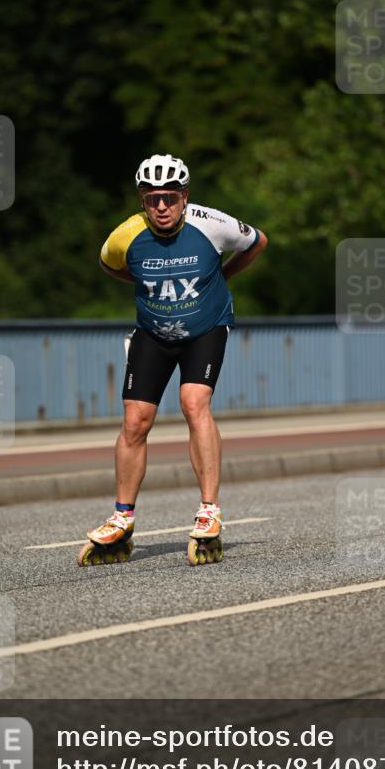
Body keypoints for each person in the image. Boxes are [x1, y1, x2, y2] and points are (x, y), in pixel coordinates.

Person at [77, 153, 267, 567]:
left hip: (206, 329)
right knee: (135, 421)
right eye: (151, 199)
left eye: (169, 197)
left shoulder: (211, 223)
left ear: (185, 196)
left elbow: (258, 242)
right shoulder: (125, 236)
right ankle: (122, 518)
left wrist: (224, 277)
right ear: (142, 201)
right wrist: (147, 283)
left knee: (193, 403)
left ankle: (209, 509)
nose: (161, 206)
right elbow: (110, 264)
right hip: (153, 333)